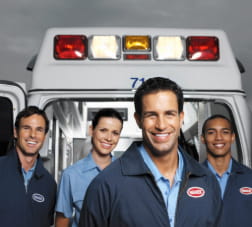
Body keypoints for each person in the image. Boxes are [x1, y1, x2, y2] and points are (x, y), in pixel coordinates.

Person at [79, 77, 222, 227]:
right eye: (151, 115)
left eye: (169, 114)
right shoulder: (105, 185)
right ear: (138, 120)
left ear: (181, 118)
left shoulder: (207, 181)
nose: (161, 125)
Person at [55, 108, 123, 227]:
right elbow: (62, 221)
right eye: (103, 130)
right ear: (92, 130)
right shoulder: (71, 175)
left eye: (115, 133)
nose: (109, 138)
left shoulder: (126, 173)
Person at [0, 106, 57, 227]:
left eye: (39, 130)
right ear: (16, 132)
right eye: (26, 128)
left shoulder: (49, 184)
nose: (33, 135)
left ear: (44, 136)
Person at [201, 114, 252, 227]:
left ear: (232, 137)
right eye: (211, 132)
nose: (218, 137)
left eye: (225, 132)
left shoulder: (249, 178)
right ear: (203, 138)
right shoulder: (190, 179)